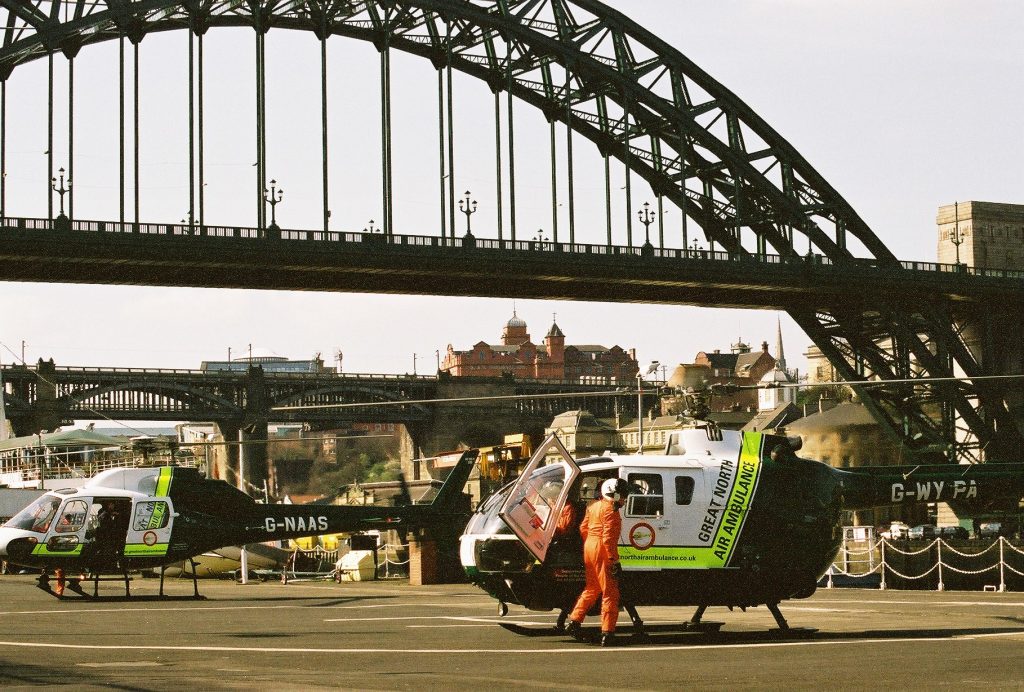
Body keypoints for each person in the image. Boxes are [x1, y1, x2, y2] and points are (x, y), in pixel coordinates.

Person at [565, 477, 628, 647]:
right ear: (614, 495)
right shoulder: (611, 511)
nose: (624, 499)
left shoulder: (593, 506)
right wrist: (614, 561)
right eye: (622, 496)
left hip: (589, 547)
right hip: (602, 550)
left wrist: (591, 543)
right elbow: (608, 539)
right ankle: (607, 632)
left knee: (592, 588)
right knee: (610, 592)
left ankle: (574, 621)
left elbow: (583, 528)